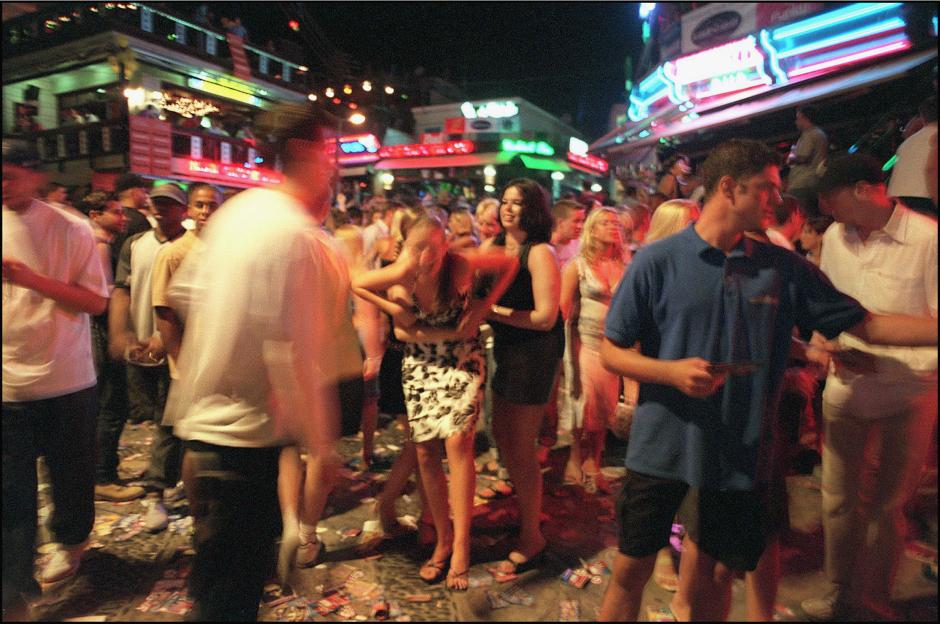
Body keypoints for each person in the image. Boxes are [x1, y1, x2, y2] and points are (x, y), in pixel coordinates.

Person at [597, 139, 937, 622]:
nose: (779, 202)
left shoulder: (783, 268)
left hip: (737, 451)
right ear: (730, 189)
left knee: (716, 574)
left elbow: (869, 324)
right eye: (768, 190)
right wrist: (668, 372)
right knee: (631, 570)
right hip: (661, 446)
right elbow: (612, 349)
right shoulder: (658, 260)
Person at [162, 103, 351, 620]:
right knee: (231, 599)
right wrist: (322, 443)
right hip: (243, 445)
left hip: (203, 434)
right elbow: (293, 355)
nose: (334, 164)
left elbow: (185, 297)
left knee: (217, 583)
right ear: (302, 152)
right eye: (328, 151)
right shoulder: (293, 234)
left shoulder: (238, 212)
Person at [801, 153, 938, 621]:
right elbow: (828, 310)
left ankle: (873, 603)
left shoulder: (927, 237)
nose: (825, 208)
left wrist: (877, 341)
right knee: (837, 501)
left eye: (829, 196)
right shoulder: (835, 238)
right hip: (846, 387)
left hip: (911, 390)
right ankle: (841, 596)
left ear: (864, 189)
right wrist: (827, 347)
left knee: (889, 505)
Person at [354, 217, 518, 589]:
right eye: (418, 247)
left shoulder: (460, 264)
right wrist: (394, 308)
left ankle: (460, 546)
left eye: (434, 245)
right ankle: (443, 539)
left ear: (445, 244)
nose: (427, 255)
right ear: (405, 246)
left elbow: (509, 262)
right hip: (422, 364)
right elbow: (369, 297)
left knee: (459, 441)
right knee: (425, 451)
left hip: (461, 362)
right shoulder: (400, 273)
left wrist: (483, 306)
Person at [2, 139, 109, 617]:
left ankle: (70, 541)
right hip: (6, 384)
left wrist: (30, 280)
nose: (2, 186)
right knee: (10, 490)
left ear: (35, 175)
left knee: (70, 477)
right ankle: (14, 585)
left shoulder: (71, 228)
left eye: (9, 175)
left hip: (66, 379)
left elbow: (95, 302)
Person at [480, 178, 564, 575]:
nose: (508, 208)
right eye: (504, 201)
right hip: (509, 347)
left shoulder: (539, 252)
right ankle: (528, 512)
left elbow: (547, 318)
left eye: (517, 203)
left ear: (533, 209)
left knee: (520, 443)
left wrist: (491, 314)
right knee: (501, 432)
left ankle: (532, 535)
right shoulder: (495, 247)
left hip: (534, 352)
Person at [109, 184, 189, 532]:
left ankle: (157, 490)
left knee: (170, 421)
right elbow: (123, 290)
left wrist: (165, 335)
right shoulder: (135, 245)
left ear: (182, 210)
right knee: (162, 420)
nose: (161, 210)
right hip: (142, 348)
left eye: (169, 205)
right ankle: (170, 481)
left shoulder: (190, 247)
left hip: (181, 347)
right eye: (157, 203)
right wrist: (119, 332)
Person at [79, 191, 144, 503]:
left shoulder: (89, 241)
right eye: (115, 212)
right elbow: (102, 296)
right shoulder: (99, 245)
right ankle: (103, 477)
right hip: (101, 333)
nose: (123, 218)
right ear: (95, 215)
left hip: (94, 334)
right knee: (111, 405)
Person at [560, 207, 627, 494]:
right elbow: (564, 309)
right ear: (592, 229)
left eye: (615, 223)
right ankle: (576, 457)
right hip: (584, 342)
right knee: (584, 403)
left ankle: (594, 460)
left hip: (613, 345)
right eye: (604, 222)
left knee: (604, 405)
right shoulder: (578, 265)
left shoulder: (626, 265)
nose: (611, 226)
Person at [887, 95, 938, 216]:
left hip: (897, 204)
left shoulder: (905, 144)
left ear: (923, 118)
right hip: (927, 202)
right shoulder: (934, 136)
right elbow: (931, 171)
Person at [787, 105, 829, 205]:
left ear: (805, 118)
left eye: (798, 118)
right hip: (814, 180)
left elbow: (803, 157)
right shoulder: (819, 134)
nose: (796, 122)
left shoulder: (810, 135)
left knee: (800, 215)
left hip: (803, 183)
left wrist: (791, 158)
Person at [551, 199, 587, 268]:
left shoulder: (583, 244)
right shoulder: (546, 246)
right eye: (576, 221)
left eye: (582, 221)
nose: (580, 226)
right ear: (560, 222)